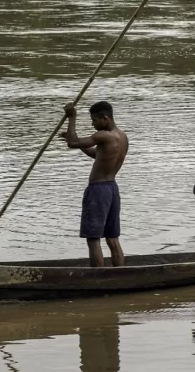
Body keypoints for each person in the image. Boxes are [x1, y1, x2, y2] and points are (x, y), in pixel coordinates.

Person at [59, 101, 128, 267]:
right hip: (112, 189)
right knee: (112, 237)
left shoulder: (103, 135)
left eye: (94, 120)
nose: (93, 124)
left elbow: (73, 142)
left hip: (98, 190)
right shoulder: (122, 136)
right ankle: (121, 275)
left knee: (93, 238)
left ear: (105, 118)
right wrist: (73, 140)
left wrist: (72, 117)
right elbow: (96, 154)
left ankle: (98, 278)